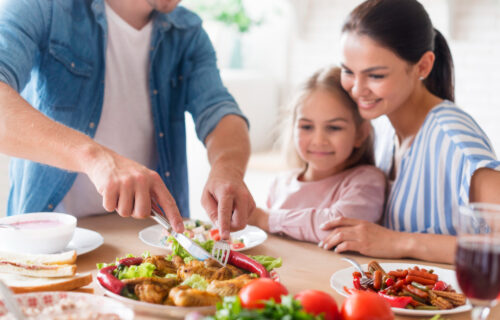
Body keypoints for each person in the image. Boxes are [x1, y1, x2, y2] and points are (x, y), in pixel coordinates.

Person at [0, 0, 255, 239]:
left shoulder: (187, 32)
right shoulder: (43, 7)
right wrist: (95, 158)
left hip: (150, 240)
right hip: (48, 243)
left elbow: (218, 108)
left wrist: (227, 168)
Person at [319, 0, 500, 263]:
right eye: (348, 71)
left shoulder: (455, 140)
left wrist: (401, 242)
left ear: (423, 66)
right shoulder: (383, 128)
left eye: (376, 76)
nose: (357, 89)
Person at [248, 66, 386, 244]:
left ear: (360, 133)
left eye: (334, 127)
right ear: (293, 128)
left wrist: (265, 219)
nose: (319, 140)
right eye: (306, 127)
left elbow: (341, 229)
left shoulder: (366, 181)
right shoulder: (280, 184)